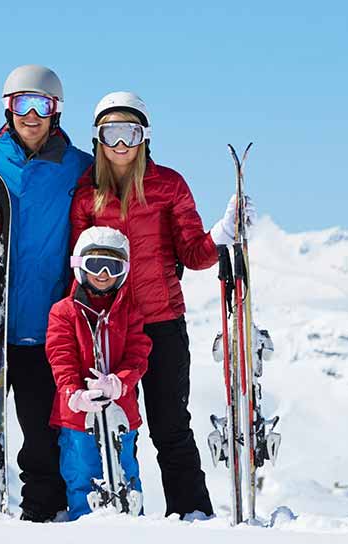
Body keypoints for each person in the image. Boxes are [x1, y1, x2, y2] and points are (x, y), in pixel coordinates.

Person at [70, 92, 257, 519]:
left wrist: (222, 234)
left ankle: (192, 513)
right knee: (113, 426)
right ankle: (116, 514)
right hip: (108, 328)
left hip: (161, 325)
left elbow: (193, 253)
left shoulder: (167, 185)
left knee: (170, 426)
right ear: (98, 139)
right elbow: (76, 268)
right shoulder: (86, 197)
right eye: (110, 133)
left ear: (145, 137)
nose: (120, 144)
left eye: (129, 133)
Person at [0, 65, 93, 521]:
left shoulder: (77, 167)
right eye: (21, 104)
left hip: (46, 326)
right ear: (7, 109)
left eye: (42, 105)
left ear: (56, 112)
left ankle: (44, 519)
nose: (31, 115)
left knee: (41, 434)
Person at [46, 226, 152, 521]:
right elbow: (61, 356)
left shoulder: (130, 312)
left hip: (121, 413)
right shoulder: (63, 312)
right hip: (78, 415)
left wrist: (120, 382)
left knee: (126, 472)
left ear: (124, 271)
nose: (103, 273)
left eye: (113, 266)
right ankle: (85, 529)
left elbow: (138, 354)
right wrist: (73, 394)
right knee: (82, 474)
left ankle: (133, 528)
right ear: (80, 266)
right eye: (95, 264)